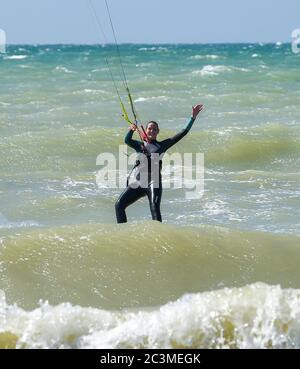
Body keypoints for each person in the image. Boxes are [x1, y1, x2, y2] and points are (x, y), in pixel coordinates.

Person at [115, 104, 204, 223]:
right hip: (139, 182)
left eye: (154, 129)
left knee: (155, 207)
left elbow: (182, 133)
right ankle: (123, 232)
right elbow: (127, 140)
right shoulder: (139, 145)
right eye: (149, 128)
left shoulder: (162, 145)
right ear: (145, 131)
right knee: (119, 205)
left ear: (158, 132)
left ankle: (159, 236)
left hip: (154, 182)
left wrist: (192, 117)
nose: (151, 130)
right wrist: (131, 130)